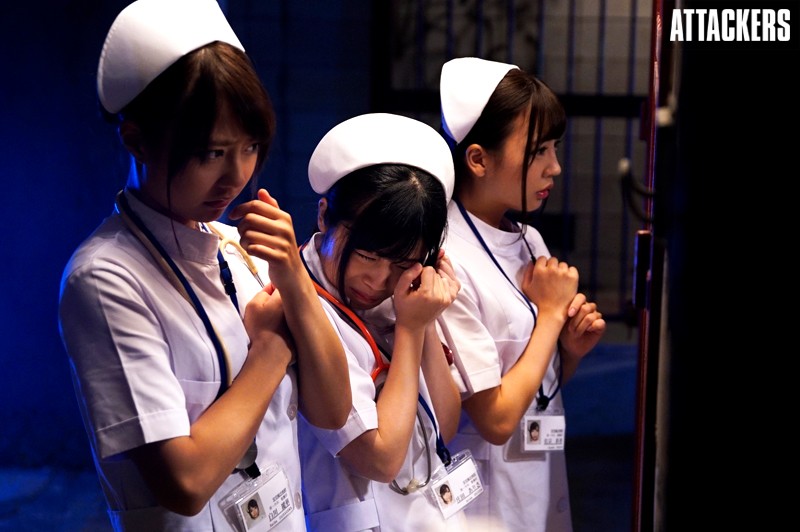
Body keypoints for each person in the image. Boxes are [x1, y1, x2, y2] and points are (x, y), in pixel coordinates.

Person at [58, 1, 348, 529]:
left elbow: (333, 416)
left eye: (251, 147)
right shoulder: (104, 277)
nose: (237, 176)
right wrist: (273, 348)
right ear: (137, 140)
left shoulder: (239, 248)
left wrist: (296, 282)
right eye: (212, 153)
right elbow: (185, 482)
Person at [435, 56, 607, 531]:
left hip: (539, 488)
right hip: (482, 506)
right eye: (538, 151)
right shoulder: (445, 257)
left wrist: (569, 353)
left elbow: (538, 388)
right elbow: (494, 418)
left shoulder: (530, 240)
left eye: (554, 148)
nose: (555, 167)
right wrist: (550, 315)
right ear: (478, 159)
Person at [295, 113, 469, 531]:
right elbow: (382, 459)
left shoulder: (407, 298)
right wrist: (410, 329)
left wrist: (424, 320)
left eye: (403, 263)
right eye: (367, 256)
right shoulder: (300, 305)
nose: (377, 280)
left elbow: (443, 426)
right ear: (324, 216)